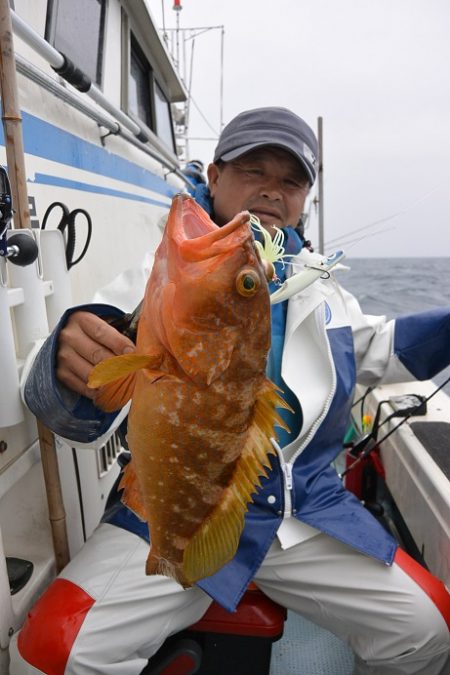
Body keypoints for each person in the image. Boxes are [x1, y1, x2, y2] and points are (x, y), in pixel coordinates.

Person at [9, 107, 450, 675]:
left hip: (306, 511)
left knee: (427, 629)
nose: (272, 191)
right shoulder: (166, 272)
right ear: (214, 177)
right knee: (51, 653)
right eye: (253, 171)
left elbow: (380, 348)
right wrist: (68, 352)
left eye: (291, 180)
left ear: (306, 199)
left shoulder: (321, 287)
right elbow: (70, 386)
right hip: (172, 510)